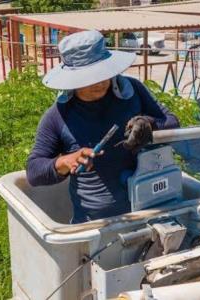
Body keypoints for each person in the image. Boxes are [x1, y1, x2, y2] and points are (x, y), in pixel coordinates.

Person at [27, 30, 179, 223]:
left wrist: (148, 124)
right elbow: (33, 171)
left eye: (102, 72)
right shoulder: (58, 116)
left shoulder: (133, 91)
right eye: (89, 77)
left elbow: (172, 122)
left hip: (148, 208)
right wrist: (66, 162)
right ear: (72, 80)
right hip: (94, 223)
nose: (99, 81)